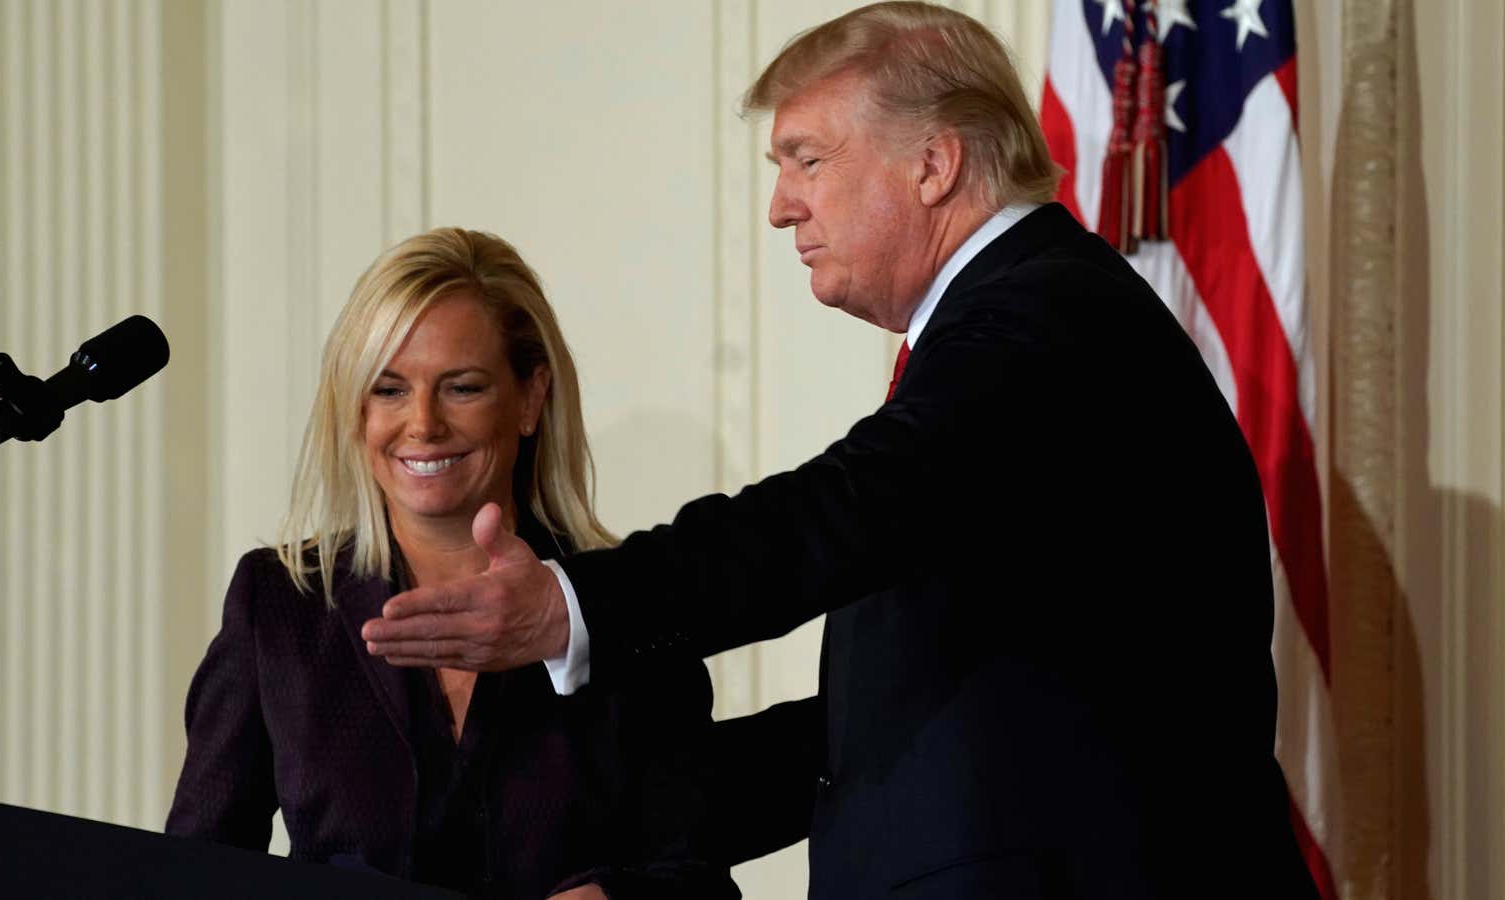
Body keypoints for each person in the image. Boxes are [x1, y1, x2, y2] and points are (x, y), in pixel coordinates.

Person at [363, 4, 1321, 897]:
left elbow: (837, 510)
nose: (781, 207)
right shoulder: (1017, 320)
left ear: (934, 164)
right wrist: (599, 844)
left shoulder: (1043, 318)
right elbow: (895, 725)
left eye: (806, 159)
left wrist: (576, 603)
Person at [166, 228, 738, 900]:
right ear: (354, 408)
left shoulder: (623, 604)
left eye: (461, 388)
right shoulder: (280, 603)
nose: (423, 424)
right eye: (388, 390)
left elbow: (696, 877)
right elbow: (192, 875)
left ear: (529, 399)